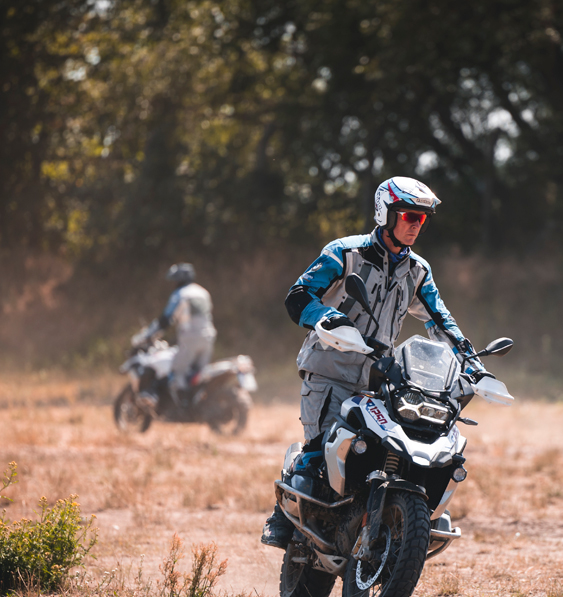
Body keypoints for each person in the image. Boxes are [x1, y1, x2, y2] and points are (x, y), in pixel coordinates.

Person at [260, 176, 489, 549]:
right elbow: (299, 295)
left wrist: (470, 360)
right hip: (328, 367)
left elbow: (439, 320)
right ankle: (282, 517)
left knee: (387, 450)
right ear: (386, 213)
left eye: (422, 219)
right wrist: (325, 317)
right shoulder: (344, 253)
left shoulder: (418, 270)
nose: (416, 224)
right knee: (320, 447)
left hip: (378, 375)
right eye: (409, 215)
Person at [135, 263, 216, 408]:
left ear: (179, 280)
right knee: (197, 373)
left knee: (176, 372)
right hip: (208, 337)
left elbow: (166, 319)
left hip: (191, 337)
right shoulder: (203, 292)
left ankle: (182, 406)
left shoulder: (180, 294)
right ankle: (197, 403)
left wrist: (151, 334)